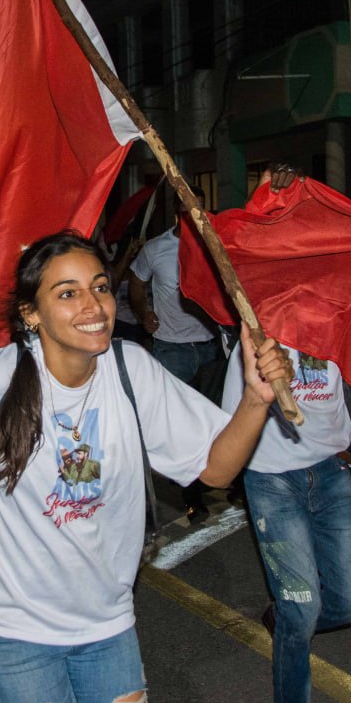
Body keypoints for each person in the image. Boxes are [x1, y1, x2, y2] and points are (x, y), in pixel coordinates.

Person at [0, 231, 292, 703]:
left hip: (106, 623)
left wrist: (255, 400)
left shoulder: (132, 371)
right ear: (31, 314)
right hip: (13, 628)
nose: (94, 306)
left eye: (100, 287)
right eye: (67, 293)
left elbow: (214, 469)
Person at [222, 337, 351, 703]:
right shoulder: (255, 338)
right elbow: (229, 426)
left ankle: (286, 619)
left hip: (331, 471)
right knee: (302, 609)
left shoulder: (343, 327)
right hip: (271, 477)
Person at [128, 185, 223, 521]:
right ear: (176, 213)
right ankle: (193, 496)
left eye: (200, 206)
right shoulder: (157, 249)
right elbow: (136, 282)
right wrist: (143, 313)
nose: (195, 213)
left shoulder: (217, 242)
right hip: (172, 351)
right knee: (177, 427)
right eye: (188, 207)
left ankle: (223, 477)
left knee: (215, 423)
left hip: (212, 349)